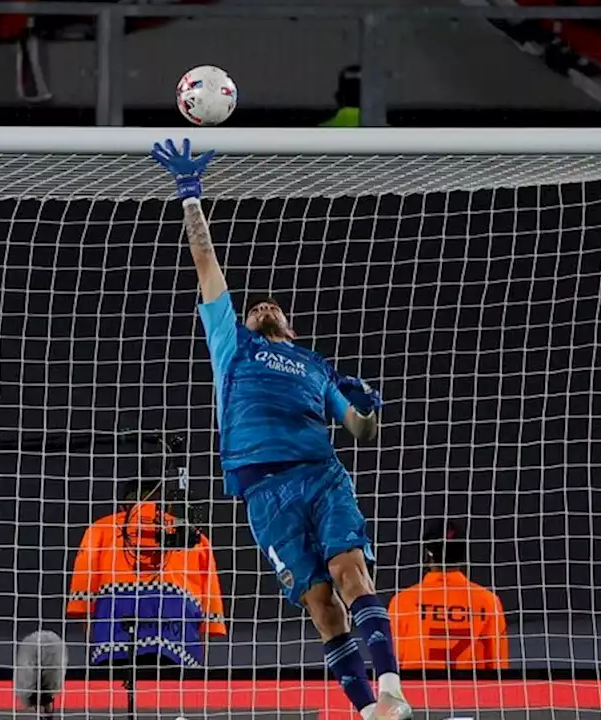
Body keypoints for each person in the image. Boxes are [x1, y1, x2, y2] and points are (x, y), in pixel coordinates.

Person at [150, 139, 409, 720]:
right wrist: (190, 199)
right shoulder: (231, 346)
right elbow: (207, 266)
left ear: (288, 327)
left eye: (274, 307)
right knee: (321, 605)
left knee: (349, 572)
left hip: (320, 476)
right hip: (263, 492)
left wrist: (370, 406)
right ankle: (370, 710)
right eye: (254, 305)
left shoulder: (317, 367)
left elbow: (360, 430)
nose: (262, 305)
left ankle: (391, 684)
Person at [66, 466, 225, 668]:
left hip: (114, 643)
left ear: (123, 504)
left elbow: (84, 600)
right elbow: (210, 614)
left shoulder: (99, 530)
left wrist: (95, 652)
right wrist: (199, 663)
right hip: (178, 646)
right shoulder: (193, 537)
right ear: (166, 505)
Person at [388, 522, 508, 670]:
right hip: (471, 691)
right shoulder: (488, 601)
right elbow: (498, 667)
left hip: (418, 691)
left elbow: (391, 664)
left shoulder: (402, 602)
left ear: (427, 555)